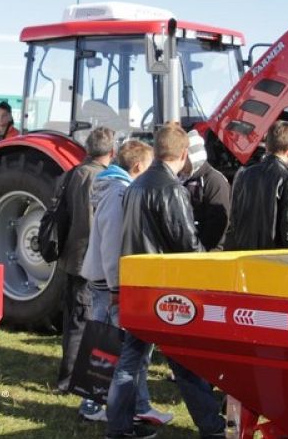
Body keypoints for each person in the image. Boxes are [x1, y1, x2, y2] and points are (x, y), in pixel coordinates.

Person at [108, 123, 225, 439]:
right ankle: (212, 428)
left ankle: (117, 427)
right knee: (185, 364)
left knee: (131, 362)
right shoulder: (171, 189)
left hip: (137, 285)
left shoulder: (135, 185)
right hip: (164, 291)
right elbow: (186, 245)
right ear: (184, 154)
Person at [80, 140, 172, 426]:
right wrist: (117, 288)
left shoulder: (110, 187)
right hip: (110, 285)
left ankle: (134, 404)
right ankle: (95, 403)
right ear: (137, 167)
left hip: (105, 281)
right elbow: (111, 245)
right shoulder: (119, 192)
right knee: (119, 348)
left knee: (112, 345)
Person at [55, 126, 115, 421]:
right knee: (83, 322)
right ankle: (68, 381)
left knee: (72, 321)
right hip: (88, 262)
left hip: (69, 257)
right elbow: (96, 224)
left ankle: (65, 376)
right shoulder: (100, 179)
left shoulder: (72, 173)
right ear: (111, 152)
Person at [226, 121, 288, 250]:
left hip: (244, 255)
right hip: (273, 259)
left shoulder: (244, 174)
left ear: (266, 147)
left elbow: (234, 219)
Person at [181, 130, 231, 251]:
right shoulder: (183, 179)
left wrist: (200, 250)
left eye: (183, 156)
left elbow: (217, 223)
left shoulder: (215, 181)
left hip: (210, 254)